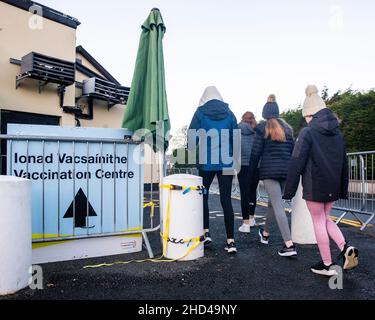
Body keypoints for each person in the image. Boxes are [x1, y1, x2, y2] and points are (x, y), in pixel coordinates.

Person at [283, 85, 359, 276]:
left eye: (306, 117)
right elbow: (343, 162)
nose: (306, 121)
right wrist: (343, 188)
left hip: (314, 185)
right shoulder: (337, 134)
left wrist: (289, 192)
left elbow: (296, 162)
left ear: (310, 114)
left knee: (318, 220)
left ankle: (327, 264)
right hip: (332, 184)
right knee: (325, 219)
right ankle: (344, 247)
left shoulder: (307, 133)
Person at [188, 86, 239, 254]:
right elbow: (236, 138)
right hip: (226, 161)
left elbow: (191, 137)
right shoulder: (230, 113)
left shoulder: (200, 113)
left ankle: (206, 232)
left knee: (203, 196)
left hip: (206, 161)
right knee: (226, 200)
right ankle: (231, 241)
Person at [250, 94, 297, 257]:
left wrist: (251, 171)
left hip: (269, 172)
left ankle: (289, 244)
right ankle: (265, 234)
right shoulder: (288, 129)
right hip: (286, 171)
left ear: (264, 113)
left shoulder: (262, 128)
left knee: (278, 206)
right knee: (273, 203)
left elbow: (255, 153)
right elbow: (293, 151)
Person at [237, 112, 259, 233]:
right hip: (256, 166)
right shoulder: (257, 130)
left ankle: (245, 224)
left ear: (243, 119)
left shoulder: (237, 129)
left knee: (244, 194)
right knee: (252, 192)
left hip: (243, 165)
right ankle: (251, 218)